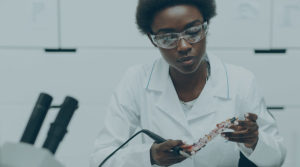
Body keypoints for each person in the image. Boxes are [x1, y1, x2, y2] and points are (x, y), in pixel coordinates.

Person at [90, 0, 286, 166]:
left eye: (192, 32)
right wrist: (150, 156)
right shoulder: (135, 82)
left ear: (206, 26)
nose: (183, 46)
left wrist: (254, 141)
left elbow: (277, 158)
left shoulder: (241, 82)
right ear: (152, 39)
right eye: (168, 38)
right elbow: (101, 159)